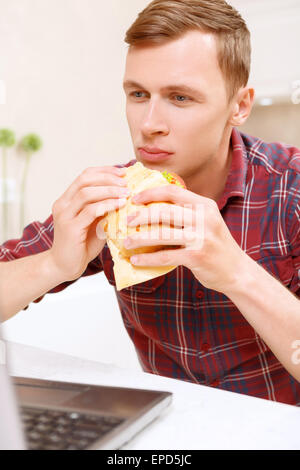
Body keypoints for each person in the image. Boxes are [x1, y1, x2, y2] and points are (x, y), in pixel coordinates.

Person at [0, 0, 299, 405]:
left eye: (180, 98)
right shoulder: (113, 195)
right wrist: (54, 263)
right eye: (138, 94)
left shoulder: (291, 189)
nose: (148, 124)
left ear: (240, 106)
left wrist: (235, 272)